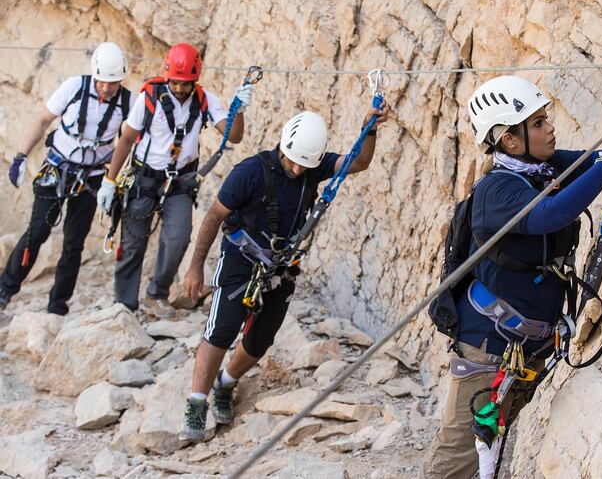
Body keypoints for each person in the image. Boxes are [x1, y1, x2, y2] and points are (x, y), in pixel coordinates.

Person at [422, 75, 602, 478]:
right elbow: (553, 213)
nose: (549, 128)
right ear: (509, 140)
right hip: (488, 346)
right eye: (536, 123)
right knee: (459, 457)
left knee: (490, 449)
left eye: (544, 119)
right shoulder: (497, 192)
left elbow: (594, 162)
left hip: (524, 347)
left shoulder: (542, 168)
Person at [178, 103, 387, 443]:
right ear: (284, 147)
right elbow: (215, 215)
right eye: (293, 161)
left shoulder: (312, 168)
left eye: (305, 165)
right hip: (241, 256)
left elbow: (358, 162)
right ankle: (196, 404)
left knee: (261, 338)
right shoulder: (251, 172)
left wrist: (371, 128)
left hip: (281, 264)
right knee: (222, 327)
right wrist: (195, 267)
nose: (296, 168)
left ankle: (225, 384)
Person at [97, 42, 254, 318]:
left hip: (180, 183)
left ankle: (157, 294)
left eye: (186, 84)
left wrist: (238, 109)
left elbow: (234, 136)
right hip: (144, 180)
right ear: (166, 76)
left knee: (178, 238)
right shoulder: (149, 97)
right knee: (133, 244)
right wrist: (110, 180)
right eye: (176, 83)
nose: (180, 89)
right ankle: (124, 304)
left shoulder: (205, 100)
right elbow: (126, 140)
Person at [1, 42, 131, 314]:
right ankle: (5, 289)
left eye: (113, 82)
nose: (107, 88)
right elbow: (43, 120)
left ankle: (58, 304)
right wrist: (21, 156)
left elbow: (129, 141)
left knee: (74, 243)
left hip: (92, 178)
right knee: (37, 231)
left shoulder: (127, 103)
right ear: (94, 74)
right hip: (58, 168)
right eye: (103, 82)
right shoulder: (74, 88)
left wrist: (113, 180)